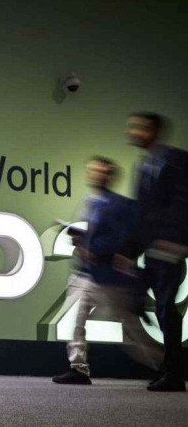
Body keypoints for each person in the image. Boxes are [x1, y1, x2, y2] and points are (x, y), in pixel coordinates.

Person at [52, 157, 162, 385]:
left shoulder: (122, 205)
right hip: (85, 273)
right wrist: (81, 240)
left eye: (100, 171)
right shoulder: (90, 203)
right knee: (76, 319)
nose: (94, 175)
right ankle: (78, 368)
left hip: (108, 276)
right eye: (91, 170)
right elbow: (95, 235)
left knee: (131, 330)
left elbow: (125, 238)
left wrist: (97, 251)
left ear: (110, 176)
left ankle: (165, 365)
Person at [126, 112, 188, 392]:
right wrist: (130, 252)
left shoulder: (177, 160)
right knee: (136, 303)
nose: (133, 132)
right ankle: (167, 365)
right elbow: (142, 214)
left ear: (154, 130)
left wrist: (178, 241)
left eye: (138, 127)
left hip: (170, 247)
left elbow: (183, 203)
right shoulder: (142, 167)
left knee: (165, 309)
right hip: (149, 250)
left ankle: (174, 373)